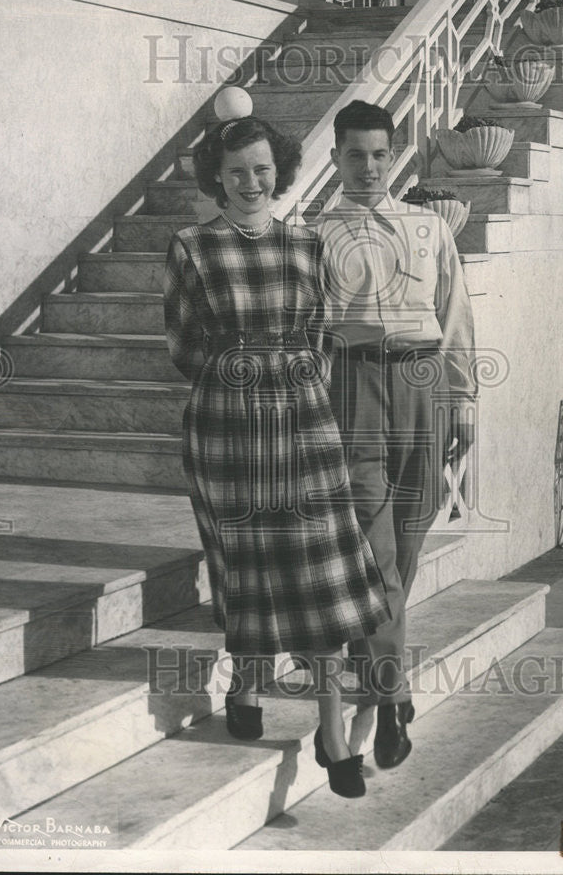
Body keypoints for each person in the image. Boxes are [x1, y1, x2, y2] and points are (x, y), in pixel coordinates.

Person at [162, 96, 391, 798]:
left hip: (303, 423)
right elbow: (183, 348)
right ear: (217, 176)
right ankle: (248, 685)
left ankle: (329, 731)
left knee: (320, 572)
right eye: (236, 171)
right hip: (226, 429)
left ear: (279, 172)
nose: (251, 182)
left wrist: (293, 389)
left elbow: (321, 332)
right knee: (245, 565)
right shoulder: (192, 248)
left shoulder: (306, 243)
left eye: (261, 169)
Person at [309, 99, 478, 770]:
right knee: (378, 562)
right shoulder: (316, 235)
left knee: (406, 548)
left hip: (424, 387)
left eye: (380, 154)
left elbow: (455, 313)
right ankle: (389, 701)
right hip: (354, 389)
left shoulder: (429, 229)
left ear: (394, 153)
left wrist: (462, 400)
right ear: (335, 159)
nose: (370, 167)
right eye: (356, 155)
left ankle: (382, 665)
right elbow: (310, 333)